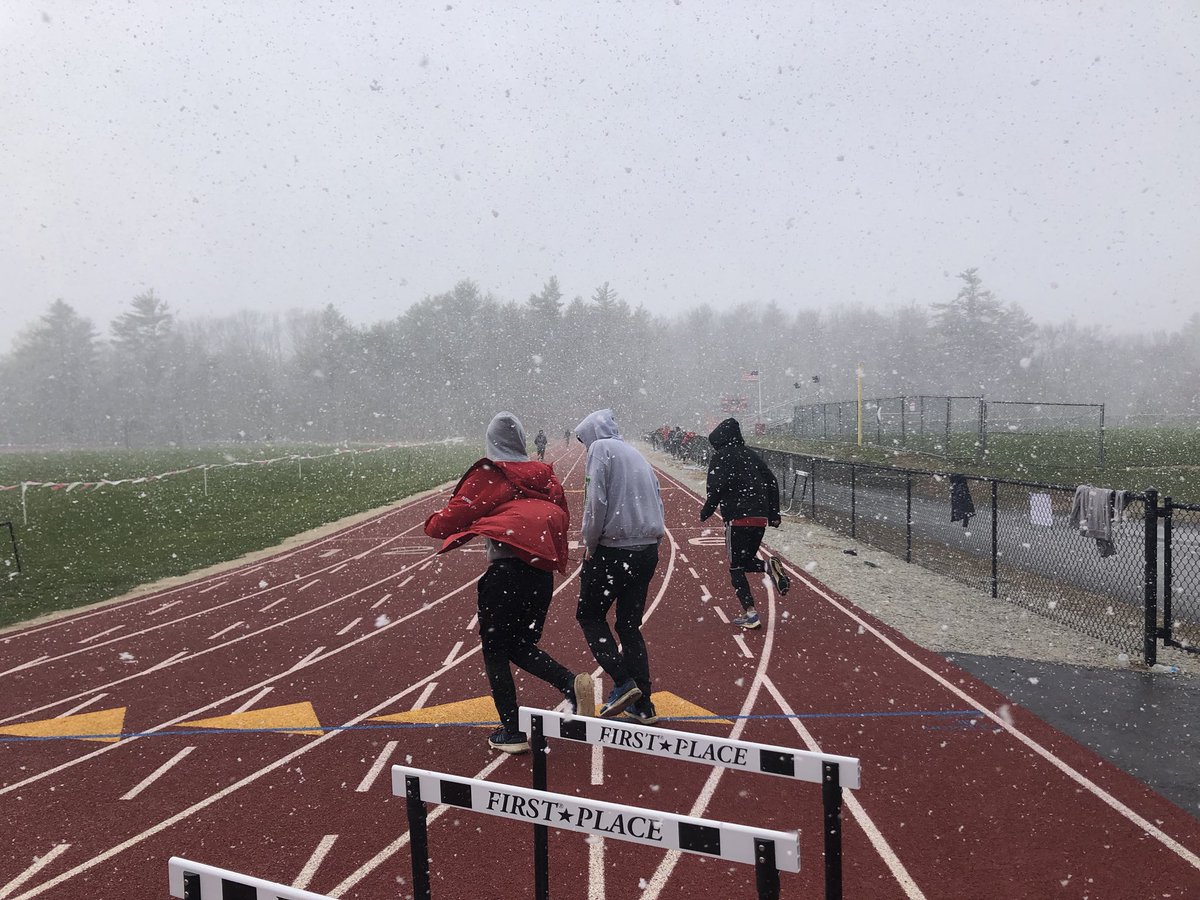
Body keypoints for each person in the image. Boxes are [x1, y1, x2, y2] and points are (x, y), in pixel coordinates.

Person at [424, 412, 594, 754]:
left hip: (505, 574)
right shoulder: (545, 476)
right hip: (539, 575)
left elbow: (446, 523)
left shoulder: (492, 475)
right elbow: (561, 514)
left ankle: (512, 730)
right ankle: (571, 684)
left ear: (492, 443)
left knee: (495, 651)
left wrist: (434, 521)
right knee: (520, 645)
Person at [574, 408, 666, 724]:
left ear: (590, 435)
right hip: (647, 549)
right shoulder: (635, 454)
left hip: (614, 550)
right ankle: (644, 703)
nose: (586, 448)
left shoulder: (600, 449)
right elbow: (658, 497)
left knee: (589, 615)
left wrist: (590, 542)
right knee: (628, 626)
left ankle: (623, 682)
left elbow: (594, 501)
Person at [700, 417, 790, 630]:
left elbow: (715, 488)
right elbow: (771, 482)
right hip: (759, 519)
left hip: (737, 518)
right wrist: (774, 513)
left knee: (736, 567)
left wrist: (707, 511)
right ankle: (769, 566)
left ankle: (750, 613)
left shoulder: (720, 458)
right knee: (747, 561)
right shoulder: (752, 456)